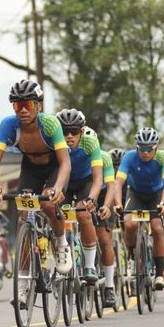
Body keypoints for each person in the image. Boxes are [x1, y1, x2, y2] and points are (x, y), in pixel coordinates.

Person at [0, 80, 72, 306]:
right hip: (31, 168)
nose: (23, 110)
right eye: (17, 106)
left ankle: (61, 243)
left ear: (38, 106)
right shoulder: (8, 125)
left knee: (46, 202)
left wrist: (58, 188)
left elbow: (65, 163)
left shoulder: (51, 124)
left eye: (27, 104)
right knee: (24, 216)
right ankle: (23, 285)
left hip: (54, 167)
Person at [114, 127, 164, 290]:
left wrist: (163, 203)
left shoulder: (163, 157)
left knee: (157, 228)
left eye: (149, 149)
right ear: (137, 147)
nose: (145, 152)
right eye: (142, 148)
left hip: (156, 195)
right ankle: (133, 260)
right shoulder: (130, 157)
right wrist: (118, 203)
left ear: (156, 147)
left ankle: (160, 273)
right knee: (130, 224)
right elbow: (118, 182)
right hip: (136, 194)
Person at [56, 109, 103, 285]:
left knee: (83, 214)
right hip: (65, 182)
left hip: (85, 181)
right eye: (64, 131)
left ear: (81, 132)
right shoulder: (54, 143)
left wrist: (92, 198)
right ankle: (61, 256)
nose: (69, 136)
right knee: (57, 216)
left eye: (74, 132)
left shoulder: (90, 143)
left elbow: (98, 178)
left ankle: (89, 266)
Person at [96, 148, 117, 306]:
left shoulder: (103, 158)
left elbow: (112, 186)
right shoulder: (70, 153)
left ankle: (109, 286)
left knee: (104, 239)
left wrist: (108, 206)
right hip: (83, 191)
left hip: (103, 195)